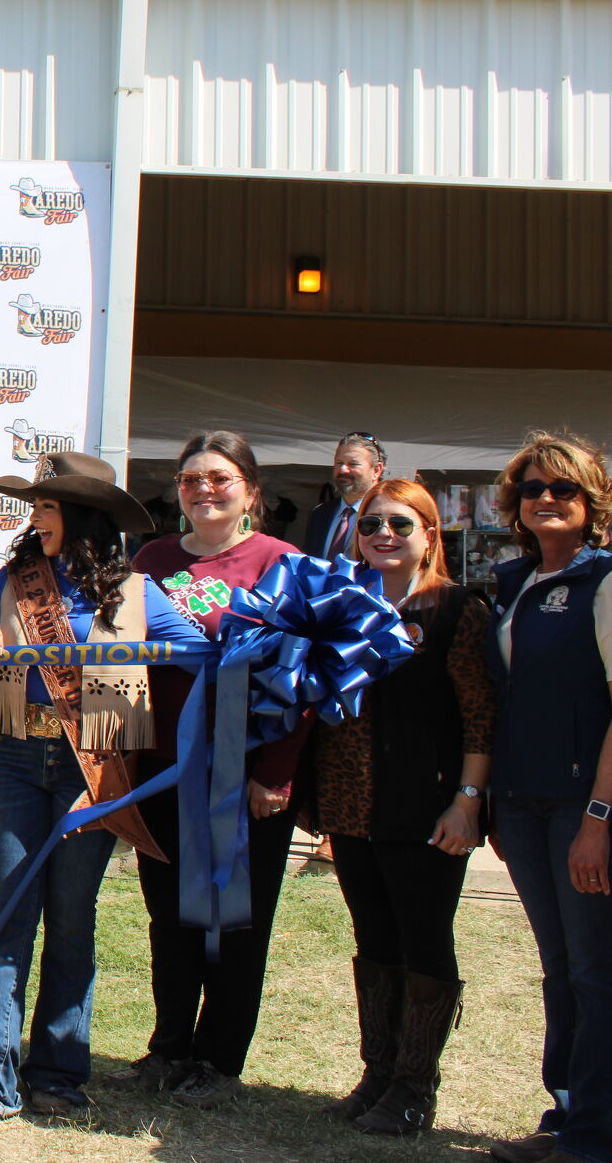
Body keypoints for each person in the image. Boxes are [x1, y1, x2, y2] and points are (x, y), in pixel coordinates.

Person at [0, 453, 205, 1124]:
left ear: (82, 517)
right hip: (19, 759)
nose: (36, 518)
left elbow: (198, 652)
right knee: (10, 912)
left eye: (49, 507)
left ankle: (59, 1071)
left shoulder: (136, 592)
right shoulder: (13, 581)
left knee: (73, 918)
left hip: (97, 767)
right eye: (35, 507)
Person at [113, 429, 302, 1108]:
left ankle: (218, 1056)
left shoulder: (282, 563)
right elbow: (119, 661)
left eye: (219, 478)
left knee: (235, 919)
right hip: (164, 770)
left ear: (250, 490)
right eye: (191, 478)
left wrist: (275, 773)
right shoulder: (151, 560)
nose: (203, 489)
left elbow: (300, 682)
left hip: (244, 773)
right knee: (171, 916)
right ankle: (168, 1046)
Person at [303, 477, 493, 1135]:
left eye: (401, 525)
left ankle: (415, 1087)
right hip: (351, 805)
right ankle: (378, 1073)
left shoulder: (455, 610)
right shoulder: (341, 606)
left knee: (423, 940)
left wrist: (467, 801)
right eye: (373, 525)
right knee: (374, 940)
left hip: (426, 807)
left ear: (429, 534)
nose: (385, 535)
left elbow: (479, 717)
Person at [484, 431, 612, 1163]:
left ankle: (593, 1133)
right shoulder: (511, 582)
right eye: (532, 488)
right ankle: (564, 1112)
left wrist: (597, 819)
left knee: (597, 971)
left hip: (581, 806)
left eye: (563, 488)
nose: (545, 499)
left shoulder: (606, 579)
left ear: (590, 502)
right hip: (523, 803)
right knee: (562, 967)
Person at [304, 432, 387, 559]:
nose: (343, 470)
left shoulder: (387, 515)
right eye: (339, 463)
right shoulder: (321, 513)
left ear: (376, 470)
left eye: (353, 464)